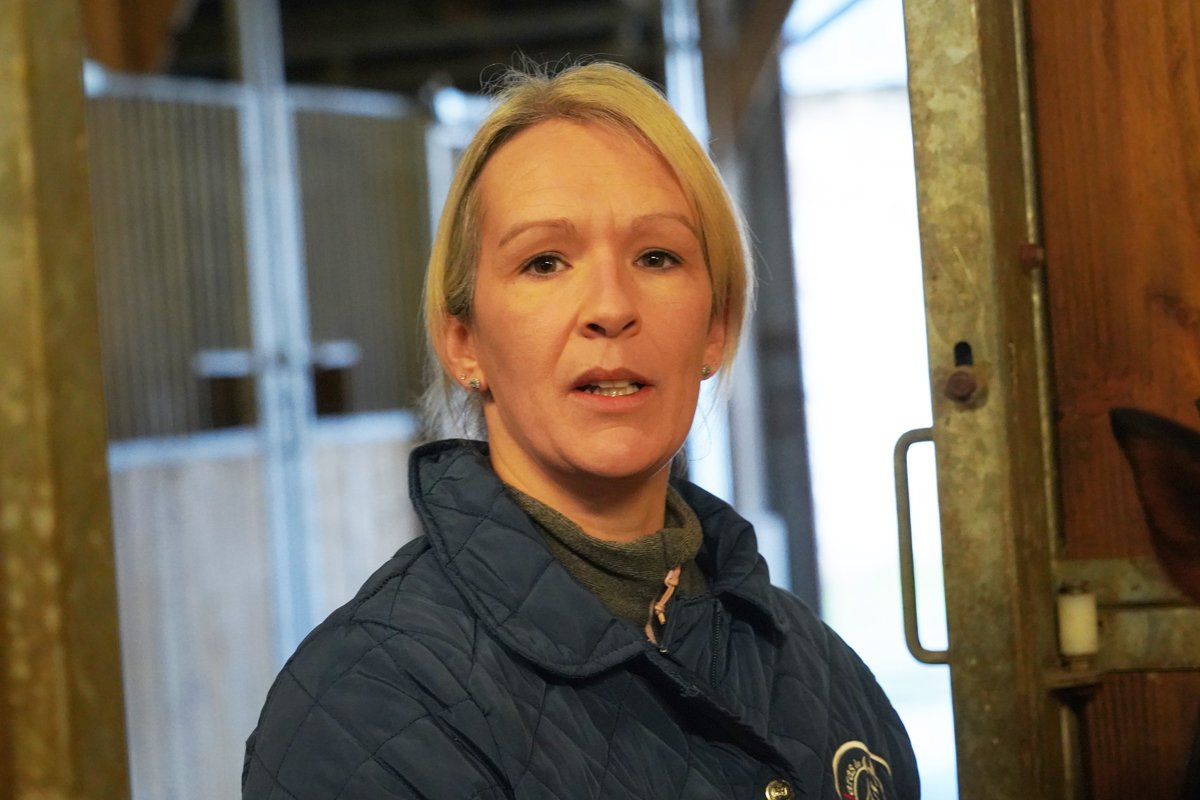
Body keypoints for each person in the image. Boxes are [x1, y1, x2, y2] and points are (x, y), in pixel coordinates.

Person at [242, 61, 919, 800]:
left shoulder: (821, 670)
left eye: (657, 257)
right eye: (545, 262)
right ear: (464, 344)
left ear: (715, 330)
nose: (611, 307)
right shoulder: (369, 706)